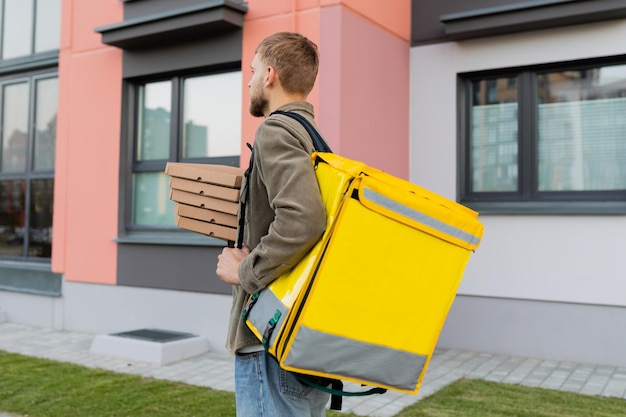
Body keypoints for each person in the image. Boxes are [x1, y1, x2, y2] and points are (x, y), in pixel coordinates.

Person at [216, 32, 330, 417]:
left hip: (269, 341)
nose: (247, 82)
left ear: (269, 75)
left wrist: (244, 272)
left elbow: (303, 220)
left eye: (250, 72)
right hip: (300, 339)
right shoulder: (313, 138)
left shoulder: (276, 131)